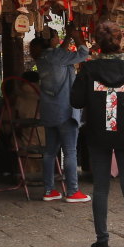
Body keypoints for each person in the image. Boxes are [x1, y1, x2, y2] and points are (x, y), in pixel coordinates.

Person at [71, 20, 124, 247]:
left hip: (97, 134)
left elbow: (76, 101)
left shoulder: (89, 69)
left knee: (101, 188)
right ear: (121, 40)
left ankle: (102, 243)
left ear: (97, 43)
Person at [36, 33, 90, 203]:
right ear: (51, 40)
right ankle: (73, 191)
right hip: (65, 110)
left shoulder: (42, 57)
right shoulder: (59, 55)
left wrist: (67, 37)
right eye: (55, 36)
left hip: (49, 110)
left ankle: (49, 190)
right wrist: (76, 36)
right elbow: (84, 53)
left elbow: (60, 52)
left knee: (50, 152)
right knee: (70, 152)